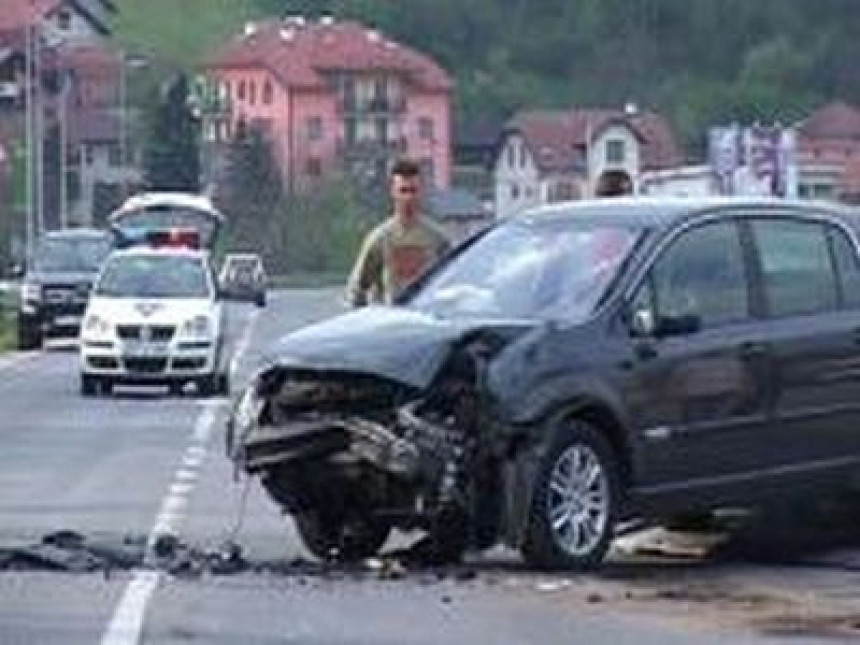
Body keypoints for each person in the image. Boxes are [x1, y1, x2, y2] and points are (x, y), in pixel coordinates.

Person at [347, 159, 450, 306]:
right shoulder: (379, 239)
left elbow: (452, 284)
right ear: (393, 192)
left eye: (413, 190)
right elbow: (357, 289)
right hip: (390, 319)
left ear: (421, 192)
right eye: (403, 190)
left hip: (425, 319)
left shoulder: (438, 239)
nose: (408, 197)